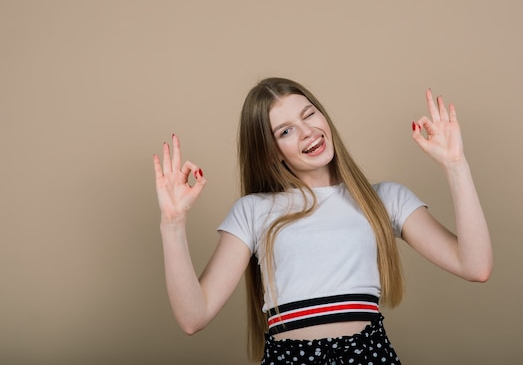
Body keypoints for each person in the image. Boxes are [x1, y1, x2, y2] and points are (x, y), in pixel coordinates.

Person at [153, 77, 492, 364]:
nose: (307, 132)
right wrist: (172, 223)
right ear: (270, 150)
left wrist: (456, 165)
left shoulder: (384, 199)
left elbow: (475, 266)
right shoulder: (253, 211)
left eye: (309, 114)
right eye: (286, 131)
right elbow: (193, 317)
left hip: (367, 355)